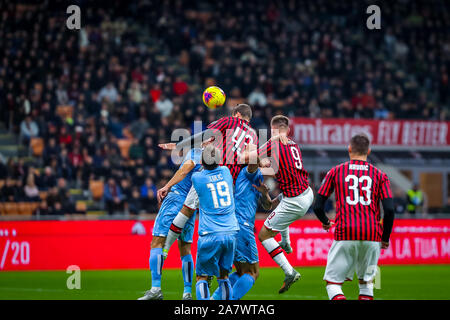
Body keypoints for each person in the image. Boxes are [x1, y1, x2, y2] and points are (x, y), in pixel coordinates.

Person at [313, 133, 395, 300]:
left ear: (349, 149)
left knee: (333, 284)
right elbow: (390, 210)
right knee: (367, 284)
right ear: (369, 151)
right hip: (373, 236)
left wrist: (326, 222)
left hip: (345, 233)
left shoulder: (336, 172)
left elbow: (318, 205)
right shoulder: (380, 175)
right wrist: (385, 238)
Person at [163, 145, 238, 300]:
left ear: (202, 162)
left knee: (202, 277)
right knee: (224, 277)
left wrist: (191, 149)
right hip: (231, 232)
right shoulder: (226, 172)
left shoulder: (197, 178)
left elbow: (190, 169)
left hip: (209, 233)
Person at [255, 115, 314, 294]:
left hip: (295, 200)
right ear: (287, 131)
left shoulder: (274, 144)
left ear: (273, 130)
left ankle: (289, 272)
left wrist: (260, 162)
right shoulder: (293, 144)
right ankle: (286, 242)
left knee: (264, 236)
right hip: (306, 193)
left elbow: (253, 155)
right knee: (277, 204)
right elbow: (278, 168)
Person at [138, 148, 202, 301]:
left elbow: (186, 168)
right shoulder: (213, 156)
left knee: (157, 241)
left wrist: (167, 186)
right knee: (185, 247)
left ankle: (155, 289)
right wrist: (174, 145)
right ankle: (187, 293)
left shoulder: (197, 151)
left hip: (176, 199)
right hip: (190, 204)